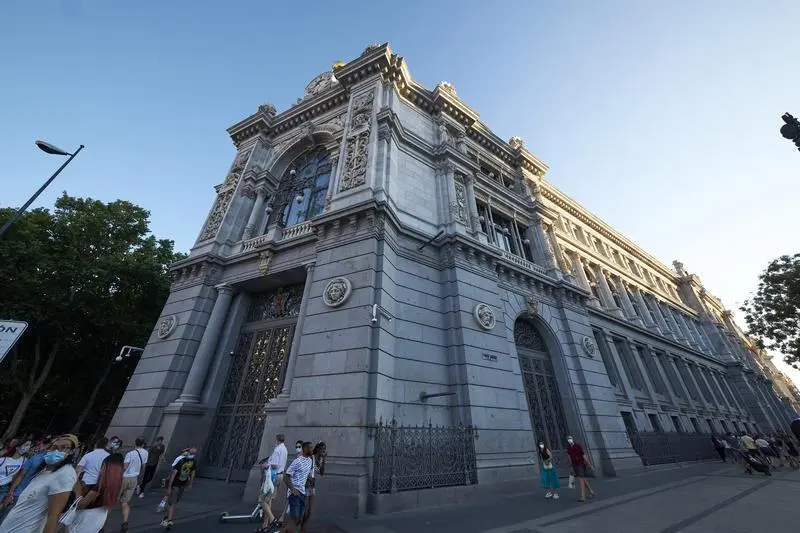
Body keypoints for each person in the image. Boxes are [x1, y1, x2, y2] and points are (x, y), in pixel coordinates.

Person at [0, 434, 79, 533]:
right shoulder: (44, 470)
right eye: (54, 447)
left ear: (71, 451)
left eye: (64, 448)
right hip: (9, 526)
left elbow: (53, 517)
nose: (57, 451)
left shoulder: (65, 473)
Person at [69, 453, 124, 533]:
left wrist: (77, 491)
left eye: (103, 466)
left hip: (87, 518)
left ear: (107, 469)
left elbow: (81, 505)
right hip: (100, 517)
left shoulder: (100, 486)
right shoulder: (117, 485)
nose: (100, 469)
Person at [0, 439, 48, 522]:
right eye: (26, 445)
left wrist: (10, 490)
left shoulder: (24, 461)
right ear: (17, 447)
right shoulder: (3, 459)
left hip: (4, 488)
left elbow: (18, 476)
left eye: (29, 445)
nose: (28, 447)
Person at [257, 434, 288, 533]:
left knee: (262, 500)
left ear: (277, 440)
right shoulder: (285, 449)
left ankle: (272, 519)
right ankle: (265, 525)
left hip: (273, 477)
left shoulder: (277, 449)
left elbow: (274, 465)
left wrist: (266, 465)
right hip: (280, 476)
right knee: (268, 500)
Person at [161, 447, 197, 529]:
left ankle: (165, 518)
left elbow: (193, 473)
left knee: (173, 502)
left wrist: (190, 483)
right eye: (192, 453)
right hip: (176, 484)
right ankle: (169, 520)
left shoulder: (193, 462)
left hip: (182, 484)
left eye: (194, 454)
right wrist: (169, 486)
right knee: (173, 503)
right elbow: (173, 473)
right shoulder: (181, 460)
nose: (192, 455)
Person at [282, 442, 314, 533]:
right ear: (305, 449)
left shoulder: (310, 461)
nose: (312, 450)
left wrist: (310, 479)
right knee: (295, 517)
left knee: (299, 519)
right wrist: (292, 489)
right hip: (295, 493)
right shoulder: (297, 461)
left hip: (303, 493)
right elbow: (286, 476)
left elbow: (305, 474)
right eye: (310, 448)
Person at [119, 437, 148, 532]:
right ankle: (125, 522)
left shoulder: (130, 454)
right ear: (143, 444)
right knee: (125, 502)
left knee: (113, 499)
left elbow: (125, 467)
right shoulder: (145, 453)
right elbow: (143, 466)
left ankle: (102, 525)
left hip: (125, 477)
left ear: (135, 443)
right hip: (134, 478)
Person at [299, 442, 327, 533]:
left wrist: (324, 459)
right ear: (318, 449)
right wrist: (309, 477)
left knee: (309, 511)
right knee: (305, 510)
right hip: (305, 485)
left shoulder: (321, 459)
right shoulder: (311, 458)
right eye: (322, 449)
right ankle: (300, 528)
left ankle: (303, 528)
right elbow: (304, 470)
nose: (323, 451)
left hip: (312, 486)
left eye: (324, 449)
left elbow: (322, 473)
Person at [566, 435, 594, 502]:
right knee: (583, 478)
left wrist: (590, 465)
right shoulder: (568, 448)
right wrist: (570, 466)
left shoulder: (577, 446)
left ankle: (583, 496)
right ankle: (590, 491)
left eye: (570, 438)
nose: (569, 440)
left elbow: (584, 456)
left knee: (581, 479)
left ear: (572, 439)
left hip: (580, 464)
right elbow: (569, 457)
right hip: (574, 465)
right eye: (568, 439)